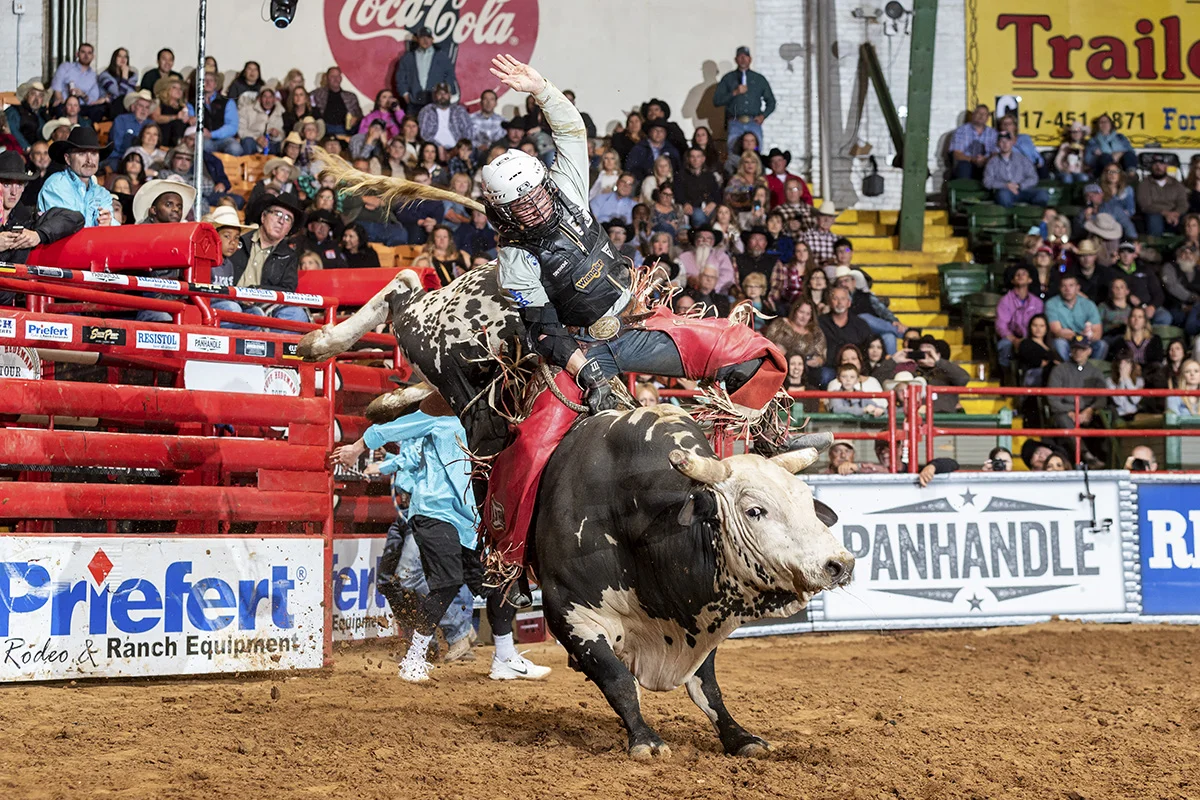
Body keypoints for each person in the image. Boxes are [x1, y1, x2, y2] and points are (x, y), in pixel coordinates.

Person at [332, 387, 550, 683]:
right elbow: (394, 429)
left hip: (467, 521)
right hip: (433, 512)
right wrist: (357, 447)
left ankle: (504, 657)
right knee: (445, 583)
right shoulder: (440, 413)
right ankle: (414, 658)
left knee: (498, 584)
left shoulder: (488, 420)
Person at [0, 151, 84, 305]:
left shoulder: (27, 221)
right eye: (6, 184)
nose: (14, 191)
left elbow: (75, 218)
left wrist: (38, 235)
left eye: (19, 184)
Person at [227, 193, 310, 323]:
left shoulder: (289, 256)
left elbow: (288, 290)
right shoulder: (237, 241)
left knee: (297, 315)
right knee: (232, 309)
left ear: (289, 229)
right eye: (277, 214)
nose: (281, 221)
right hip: (230, 300)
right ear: (263, 217)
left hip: (264, 305)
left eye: (288, 218)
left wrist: (258, 292)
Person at [1048, 337, 1110, 466]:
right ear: (1071, 350)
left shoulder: (1095, 372)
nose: (1078, 352)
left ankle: (1106, 459)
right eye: (1075, 349)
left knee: (1104, 419)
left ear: (1089, 351)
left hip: (1088, 413)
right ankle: (1086, 455)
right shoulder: (1060, 370)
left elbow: (1102, 397)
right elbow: (1052, 399)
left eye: (1082, 349)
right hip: (1065, 413)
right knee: (1063, 420)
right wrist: (1070, 412)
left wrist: (1090, 410)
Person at [37, 127, 114, 227]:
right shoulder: (56, 185)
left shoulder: (103, 194)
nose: (89, 160)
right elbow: (62, 229)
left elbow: (114, 228)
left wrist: (108, 224)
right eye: (82, 153)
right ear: (68, 159)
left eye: (94, 153)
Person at [713, 45, 776, 151]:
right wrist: (734, 92)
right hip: (735, 122)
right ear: (736, 59)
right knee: (734, 154)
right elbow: (717, 101)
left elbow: (771, 101)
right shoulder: (728, 78)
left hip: (753, 122)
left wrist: (763, 116)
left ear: (750, 59)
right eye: (740, 56)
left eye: (745, 56)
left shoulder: (759, 79)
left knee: (755, 155)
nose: (743, 59)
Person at [395, 26, 458, 118]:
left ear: (432, 39)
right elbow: (400, 77)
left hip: (436, 102)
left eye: (428, 37)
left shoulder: (442, 57)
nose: (425, 40)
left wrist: (445, 95)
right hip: (414, 102)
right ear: (417, 39)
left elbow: (449, 77)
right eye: (422, 37)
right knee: (413, 129)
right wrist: (405, 94)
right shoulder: (408, 58)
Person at [1046, 274, 1107, 361]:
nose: (1067, 289)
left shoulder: (1089, 304)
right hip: (1067, 341)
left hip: (1086, 342)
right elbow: (1057, 331)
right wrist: (1081, 336)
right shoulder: (1051, 304)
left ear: (1077, 288)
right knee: (1059, 343)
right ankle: (1069, 372)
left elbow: (1097, 333)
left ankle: (1091, 372)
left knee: (1102, 345)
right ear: (1059, 288)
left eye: (1071, 285)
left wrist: (1081, 338)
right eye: (1064, 286)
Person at [996, 265, 1044, 368]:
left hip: (1033, 337)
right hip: (1012, 338)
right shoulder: (1005, 301)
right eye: (1017, 275)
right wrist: (1014, 340)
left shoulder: (1037, 302)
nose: (1020, 276)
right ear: (1012, 280)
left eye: (1024, 274)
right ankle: (1007, 376)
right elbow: (1002, 326)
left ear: (1030, 280)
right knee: (1004, 345)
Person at [984, 132, 1049, 208]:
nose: (1005, 144)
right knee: (1003, 196)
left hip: (1023, 190)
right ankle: (1010, 217)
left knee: (1042, 194)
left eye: (1007, 141)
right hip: (1005, 191)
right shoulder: (992, 162)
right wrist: (1006, 185)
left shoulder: (1023, 159)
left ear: (1012, 142)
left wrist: (1019, 186)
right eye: (1002, 141)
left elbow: (1033, 178)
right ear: (998, 144)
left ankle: (1032, 216)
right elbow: (987, 182)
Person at [1114, 241, 1171, 325]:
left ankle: (1150, 337)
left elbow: (1158, 293)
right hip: (1125, 308)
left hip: (1147, 306)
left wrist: (1152, 307)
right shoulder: (1111, 271)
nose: (1126, 256)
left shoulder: (1145, 269)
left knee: (1164, 317)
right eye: (1123, 252)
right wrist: (1128, 297)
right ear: (1118, 254)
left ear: (1135, 255)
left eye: (1129, 252)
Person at [49, 42, 107, 122]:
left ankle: (87, 131)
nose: (86, 55)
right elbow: (57, 87)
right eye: (83, 52)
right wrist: (61, 99)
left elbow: (92, 100)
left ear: (93, 57)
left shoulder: (93, 76)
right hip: (65, 104)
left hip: (81, 107)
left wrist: (82, 94)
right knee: (59, 108)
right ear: (77, 54)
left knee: (98, 110)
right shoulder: (66, 67)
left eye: (89, 53)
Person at [818, 285, 873, 368]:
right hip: (829, 367)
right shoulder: (820, 322)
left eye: (843, 299)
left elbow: (867, 350)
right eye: (835, 299)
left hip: (854, 369)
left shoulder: (860, 324)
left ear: (849, 303)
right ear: (829, 302)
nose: (839, 302)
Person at [1136, 154, 1189, 236]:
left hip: (1174, 214)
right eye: (1155, 164)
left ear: (1166, 166)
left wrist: (1176, 213)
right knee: (1154, 218)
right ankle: (1155, 245)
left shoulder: (1176, 184)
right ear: (1151, 166)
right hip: (1154, 214)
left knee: (1189, 219)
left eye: (1161, 164)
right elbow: (1145, 205)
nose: (1158, 167)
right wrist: (1165, 213)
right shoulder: (1144, 184)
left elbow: (1183, 203)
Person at [912, 338, 971, 412]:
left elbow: (964, 379)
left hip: (944, 416)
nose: (925, 356)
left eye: (929, 353)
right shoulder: (912, 372)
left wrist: (938, 362)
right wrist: (894, 361)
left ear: (938, 355)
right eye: (922, 353)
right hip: (919, 416)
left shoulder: (947, 371)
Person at [678, 225, 735, 293]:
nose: (705, 240)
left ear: (713, 242)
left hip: (716, 293)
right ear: (695, 241)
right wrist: (689, 279)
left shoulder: (721, 256)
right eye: (701, 238)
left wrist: (711, 287)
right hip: (689, 292)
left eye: (709, 238)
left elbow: (728, 276)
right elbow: (679, 276)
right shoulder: (684, 257)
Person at [676, 147, 721, 228]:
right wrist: (685, 203)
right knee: (698, 216)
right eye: (692, 157)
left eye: (698, 156)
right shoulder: (681, 175)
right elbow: (678, 193)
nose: (695, 160)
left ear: (703, 159)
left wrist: (713, 203)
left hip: (710, 206)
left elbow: (717, 193)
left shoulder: (709, 175)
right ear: (688, 159)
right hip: (694, 207)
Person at [949, 105, 997, 180]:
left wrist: (985, 160)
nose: (981, 116)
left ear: (987, 117)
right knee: (963, 166)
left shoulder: (993, 133)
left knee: (996, 165)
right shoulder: (961, 131)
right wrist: (973, 159)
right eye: (978, 113)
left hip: (986, 162)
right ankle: (964, 190)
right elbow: (957, 154)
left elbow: (995, 153)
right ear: (973, 115)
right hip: (968, 162)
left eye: (984, 114)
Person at [310, 66, 362, 137]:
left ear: (341, 78)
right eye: (332, 76)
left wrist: (355, 119)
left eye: (338, 76)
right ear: (327, 78)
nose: (336, 79)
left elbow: (360, 115)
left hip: (345, 131)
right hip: (324, 130)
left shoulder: (351, 97)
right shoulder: (316, 95)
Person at [625, 120, 680, 184]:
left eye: (661, 131)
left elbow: (677, 169)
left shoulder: (671, 150)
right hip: (642, 183)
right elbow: (630, 168)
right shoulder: (639, 149)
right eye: (655, 130)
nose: (658, 133)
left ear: (665, 134)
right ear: (650, 132)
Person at [200, 71, 242, 155]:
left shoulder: (227, 102)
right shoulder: (193, 103)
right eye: (204, 80)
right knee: (203, 146)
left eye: (211, 80)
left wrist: (212, 134)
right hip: (202, 139)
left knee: (235, 148)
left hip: (224, 138)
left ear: (215, 84)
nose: (208, 83)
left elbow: (232, 126)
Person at [238, 85, 285, 157]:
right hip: (252, 142)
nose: (268, 100)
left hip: (269, 144)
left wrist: (276, 135)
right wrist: (256, 138)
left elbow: (282, 134)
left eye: (270, 97)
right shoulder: (247, 110)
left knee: (278, 145)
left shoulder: (279, 112)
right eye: (265, 97)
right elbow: (241, 130)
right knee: (248, 142)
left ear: (274, 99)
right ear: (259, 99)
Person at [1016, 313, 1060, 386]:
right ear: (1030, 327)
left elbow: (1059, 363)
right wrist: (1050, 362)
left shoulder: (1050, 346)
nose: (1038, 329)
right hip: (1034, 377)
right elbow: (1035, 362)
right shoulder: (1025, 343)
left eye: (1042, 326)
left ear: (1046, 328)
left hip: (1053, 377)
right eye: (1035, 325)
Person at [7, 80, 48, 152]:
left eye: (40, 96)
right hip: (18, 153)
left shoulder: (43, 116)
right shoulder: (15, 111)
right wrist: (26, 147)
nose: (36, 99)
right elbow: (12, 130)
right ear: (26, 96)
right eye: (33, 94)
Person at [1107, 350, 1145, 420]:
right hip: (1119, 415)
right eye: (1122, 363)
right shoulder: (1109, 381)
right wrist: (1121, 380)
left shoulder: (1140, 381)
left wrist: (1127, 379)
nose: (1124, 366)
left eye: (1127, 363)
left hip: (1135, 414)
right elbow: (1119, 402)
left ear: (1132, 365)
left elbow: (1135, 400)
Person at [802, 201, 840, 266]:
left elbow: (848, 249)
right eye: (823, 216)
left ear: (833, 220)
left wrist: (846, 250)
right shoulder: (807, 236)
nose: (826, 219)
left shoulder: (837, 239)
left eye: (830, 217)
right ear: (817, 218)